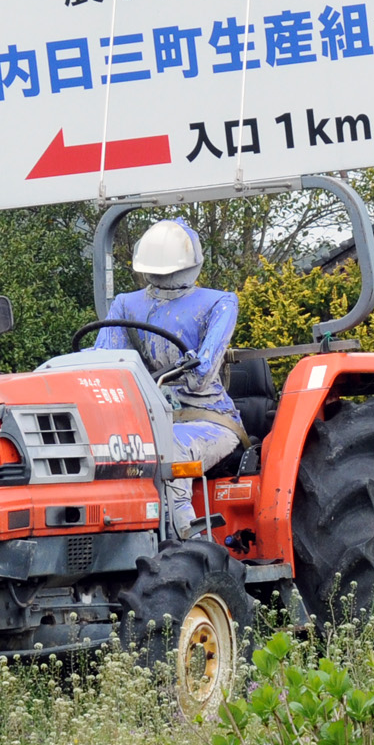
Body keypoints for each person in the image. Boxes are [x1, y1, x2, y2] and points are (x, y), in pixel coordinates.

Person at [93, 218, 245, 538]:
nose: (164, 278)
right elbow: (105, 366)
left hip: (207, 418)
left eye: (170, 271)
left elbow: (201, 376)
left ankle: (187, 542)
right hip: (145, 420)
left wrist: (179, 370)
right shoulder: (125, 304)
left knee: (170, 446)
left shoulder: (219, 302)